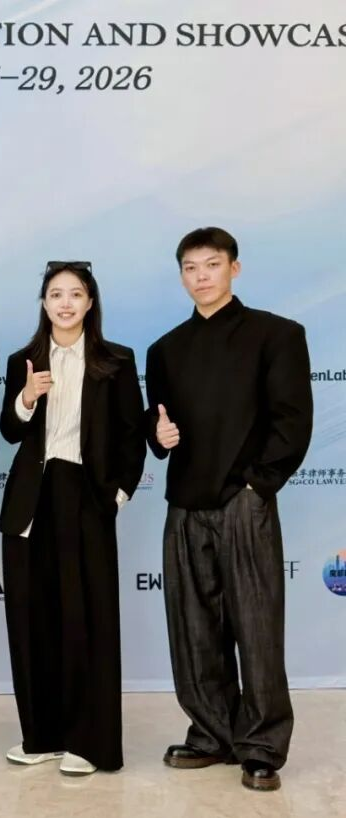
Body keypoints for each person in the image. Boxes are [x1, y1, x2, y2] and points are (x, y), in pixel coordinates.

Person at [146, 227, 313, 792]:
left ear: (234, 269)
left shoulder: (277, 334)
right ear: (181, 276)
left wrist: (256, 487)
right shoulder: (165, 350)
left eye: (212, 265)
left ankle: (262, 746)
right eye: (190, 267)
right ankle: (211, 733)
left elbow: (292, 420)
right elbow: (157, 424)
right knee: (193, 629)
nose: (201, 277)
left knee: (256, 627)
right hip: (184, 503)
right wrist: (157, 435)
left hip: (245, 501)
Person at [0, 261, 146, 776]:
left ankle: (90, 742)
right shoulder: (23, 360)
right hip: (30, 502)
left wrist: (117, 496)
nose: (65, 303)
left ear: (90, 302)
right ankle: (41, 736)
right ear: (44, 302)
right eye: (56, 294)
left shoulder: (116, 361)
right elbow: (9, 431)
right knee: (31, 621)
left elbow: (132, 436)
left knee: (89, 621)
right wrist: (26, 398)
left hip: (86, 495)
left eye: (75, 294)